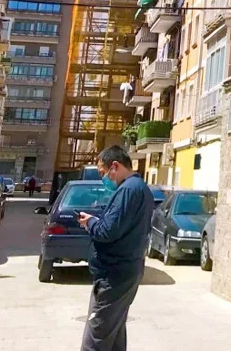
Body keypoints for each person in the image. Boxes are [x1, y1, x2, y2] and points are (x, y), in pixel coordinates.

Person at [75, 145, 150, 351]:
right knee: (114, 336)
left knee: (95, 340)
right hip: (126, 271)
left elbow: (107, 231)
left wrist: (90, 222)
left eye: (103, 173)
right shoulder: (140, 188)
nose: (104, 179)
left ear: (114, 166)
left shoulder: (127, 190)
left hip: (114, 276)